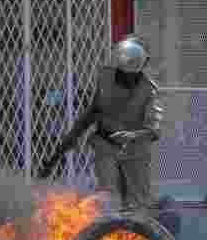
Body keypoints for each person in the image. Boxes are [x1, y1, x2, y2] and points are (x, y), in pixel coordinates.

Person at [38, 35, 164, 218]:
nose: (125, 80)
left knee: (138, 202)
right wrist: (67, 143)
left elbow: (153, 129)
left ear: (141, 69)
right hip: (106, 144)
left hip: (136, 149)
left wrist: (132, 136)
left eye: (131, 76)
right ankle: (109, 234)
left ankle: (140, 238)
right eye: (122, 75)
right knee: (108, 196)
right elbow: (94, 112)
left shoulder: (149, 91)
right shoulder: (106, 78)